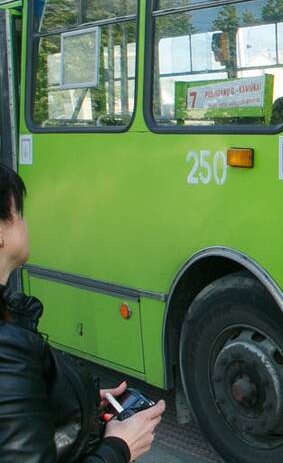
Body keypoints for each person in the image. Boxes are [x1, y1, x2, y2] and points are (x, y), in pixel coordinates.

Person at [0, 165, 165, 462]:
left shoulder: (9, 320)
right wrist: (120, 447)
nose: (26, 224)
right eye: (19, 213)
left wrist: (78, 403)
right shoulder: (7, 347)